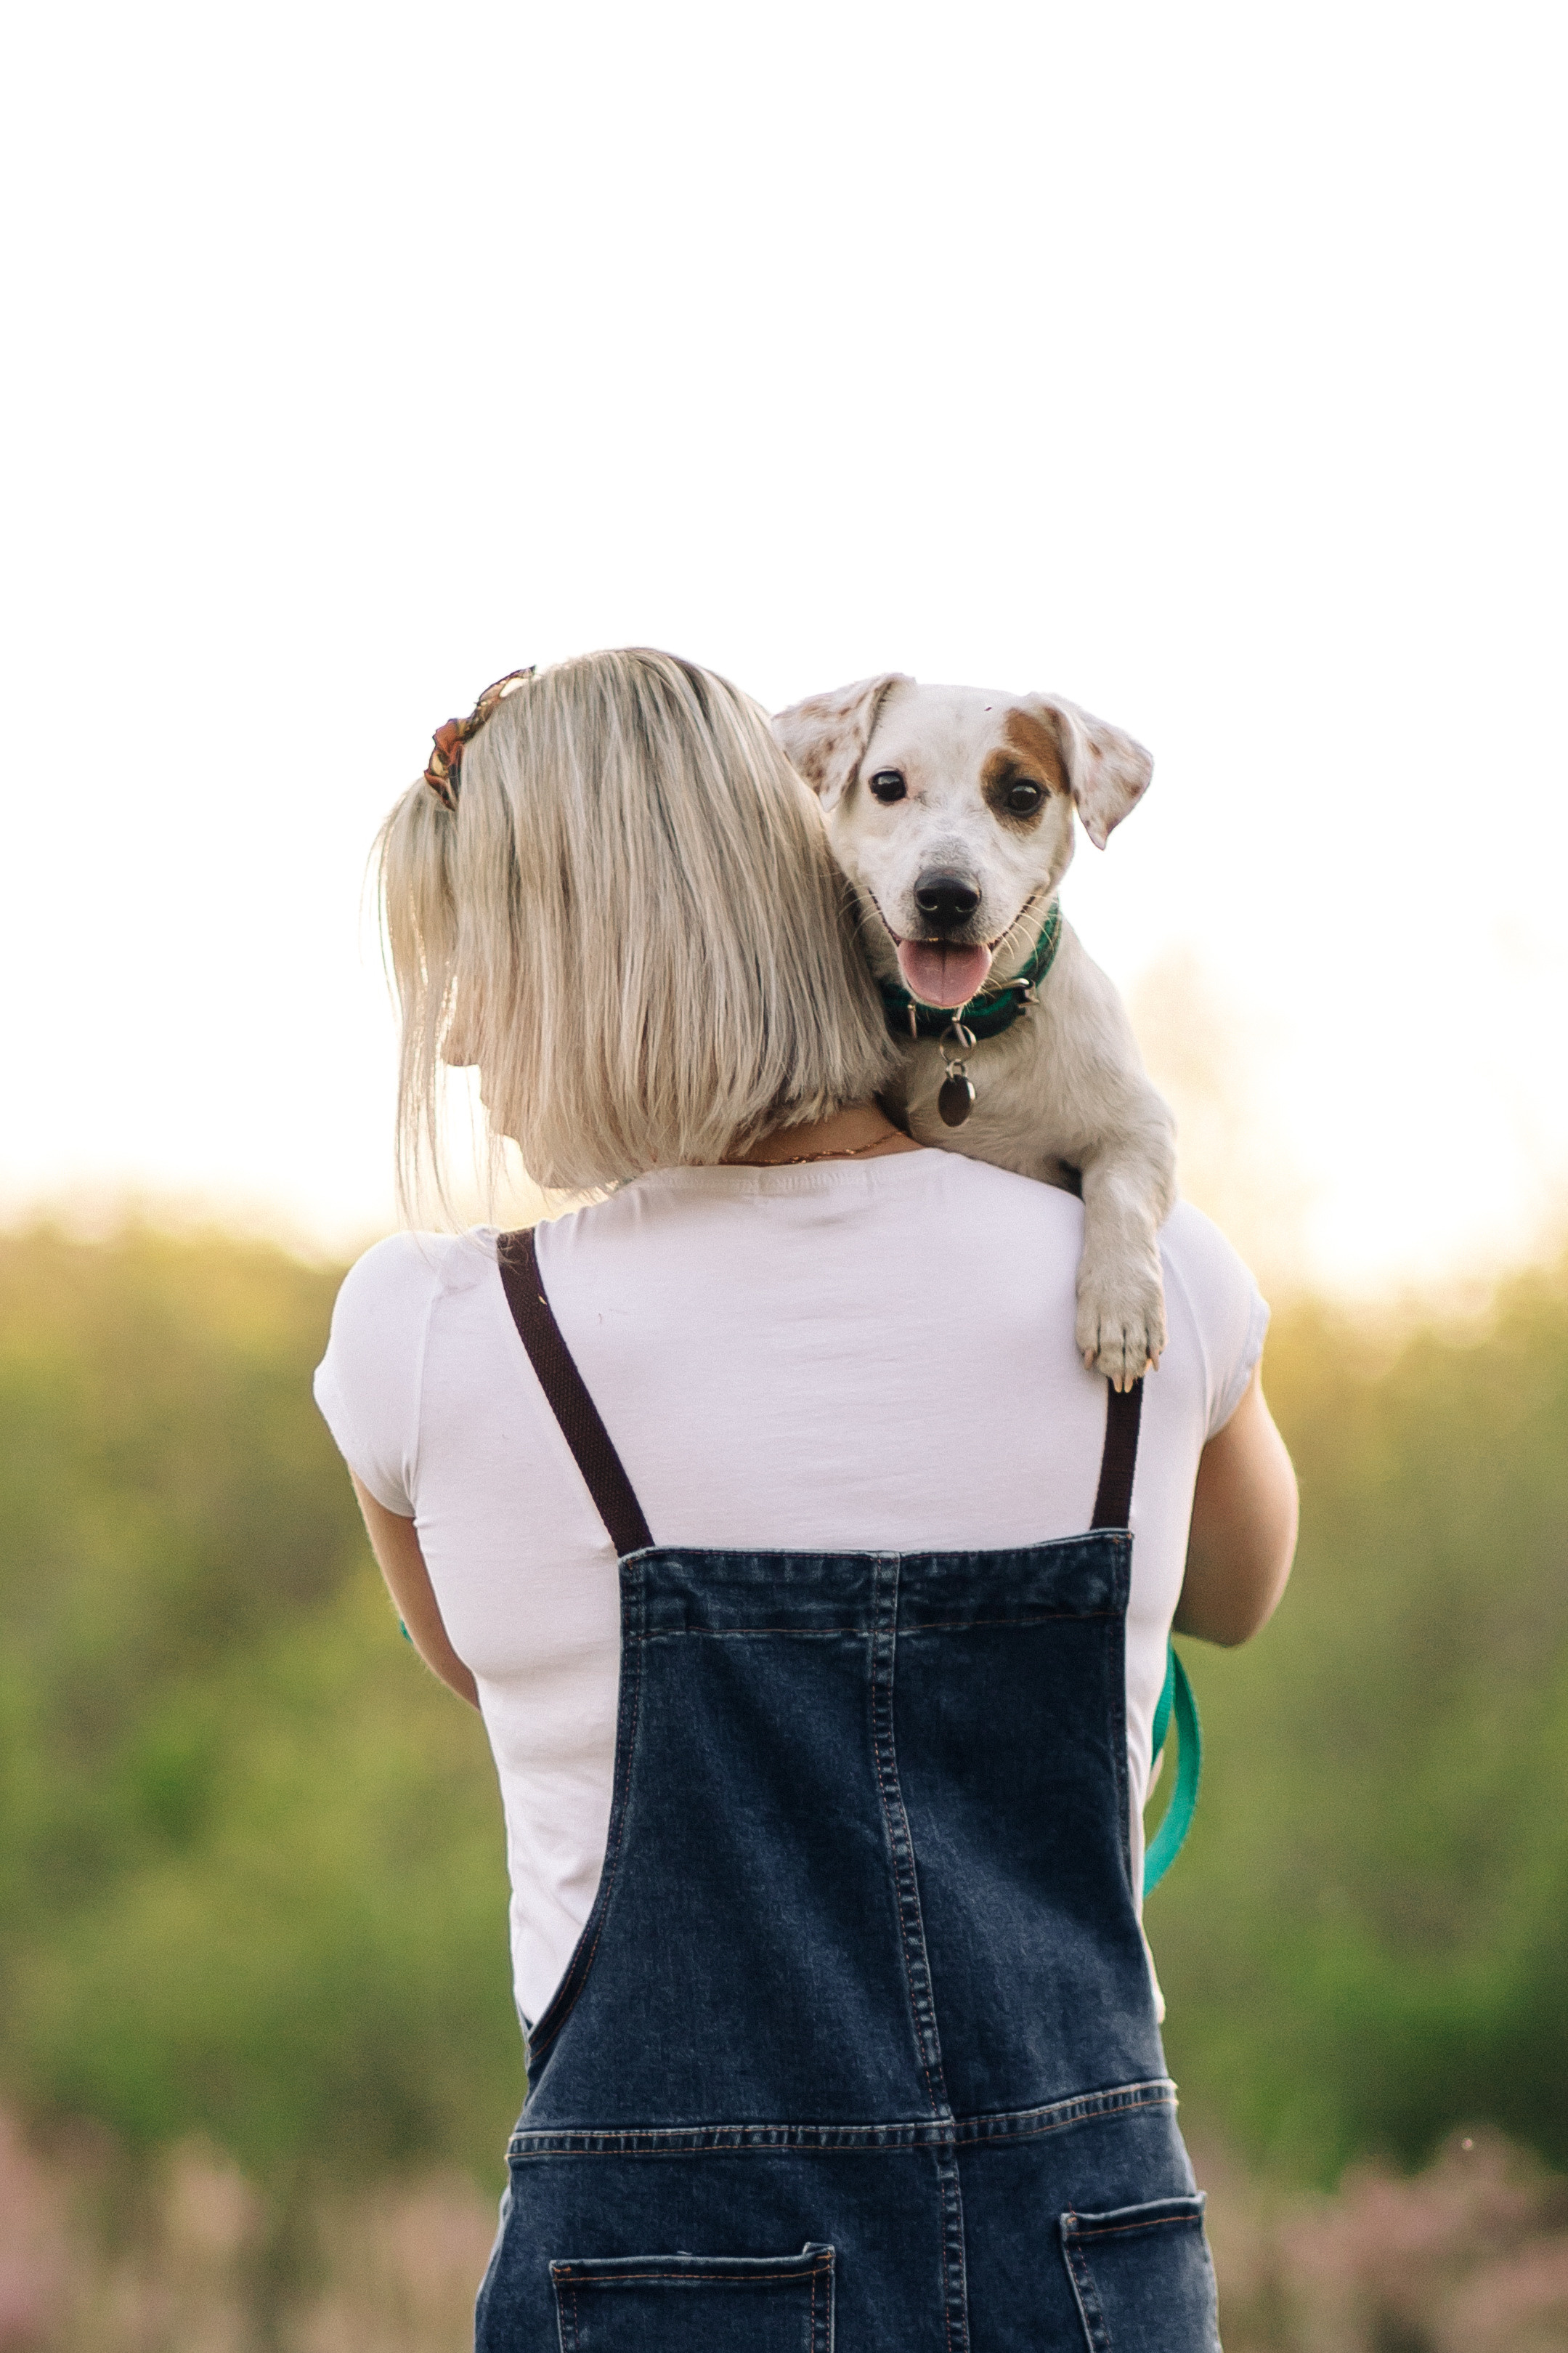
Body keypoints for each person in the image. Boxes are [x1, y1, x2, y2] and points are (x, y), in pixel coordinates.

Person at [314, 647, 1298, 2352]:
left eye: (474, 969)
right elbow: (1240, 1589)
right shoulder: (1156, 1279)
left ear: (602, 955)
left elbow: (482, 1664)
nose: (460, 1037)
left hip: (667, 2278)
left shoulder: (444, 1340)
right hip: (1096, 2265)